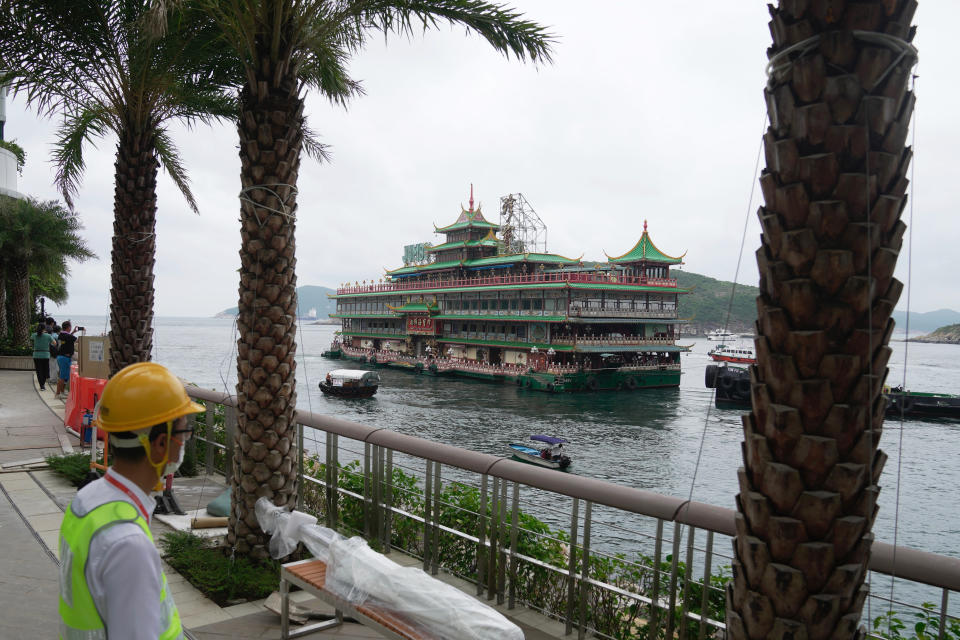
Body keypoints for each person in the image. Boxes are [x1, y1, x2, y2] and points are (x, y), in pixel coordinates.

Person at [58, 362, 204, 640]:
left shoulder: (86, 500)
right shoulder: (128, 544)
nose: (185, 442)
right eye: (184, 433)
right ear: (160, 443)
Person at [55, 320, 82, 399]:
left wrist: (73, 332)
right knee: (62, 376)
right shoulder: (68, 336)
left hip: (62, 357)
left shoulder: (61, 334)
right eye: (70, 326)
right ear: (68, 327)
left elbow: (68, 338)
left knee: (65, 375)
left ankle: (62, 392)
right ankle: (57, 394)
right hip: (65, 358)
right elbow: (77, 340)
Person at [30, 322, 56, 390]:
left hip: (36, 355)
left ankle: (41, 385)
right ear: (44, 328)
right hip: (45, 355)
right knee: (45, 370)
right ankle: (43, 384)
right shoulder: (48, 336)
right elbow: (54, 343)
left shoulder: (34, 335)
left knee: (39, 370)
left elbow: (31, 342)